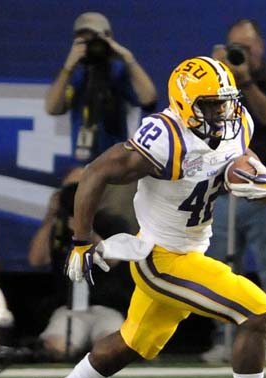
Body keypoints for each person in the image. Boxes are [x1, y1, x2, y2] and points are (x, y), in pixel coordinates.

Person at [32, 56, 266, 378]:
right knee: (256, 311)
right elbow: (95, 174)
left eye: (225, 102)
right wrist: (81, 239)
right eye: (211, 104)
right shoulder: (166, 137)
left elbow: (228, 169)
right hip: (160, 257)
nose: (223, 112)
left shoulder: (238, 123)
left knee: (132, 344)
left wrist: (264, 183)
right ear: (183, 104)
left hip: (189, 247)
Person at [201, 19, 266, 366]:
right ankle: (225, 336)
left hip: (264, 191)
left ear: (260, 47)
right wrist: (214, 73)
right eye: (233, 46)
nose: (239, 52)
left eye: (245, 46)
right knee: (218, 268)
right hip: (223, 190)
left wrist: (244, 79)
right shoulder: (220, 84)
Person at [45, 12, 158, 234]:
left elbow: (149, 99)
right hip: (83, 172)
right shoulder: (77, 74)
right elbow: (53, 107)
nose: (92, 45)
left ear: (109, 38)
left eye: (97, 38)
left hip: (118, 172)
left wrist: (127, 58)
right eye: (84, 39)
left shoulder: (119, 72)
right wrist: (68, 67)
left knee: (120, 237)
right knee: (77, 237)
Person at [28, 167, 132, 360]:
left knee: (111, 350)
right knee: (55, 349)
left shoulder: (113, 223)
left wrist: (85, 230)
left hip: (107, 307)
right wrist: (52, 215)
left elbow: (112, 259)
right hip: (69, 308)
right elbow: (36, 259)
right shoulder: (59, 226)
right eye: (71, 189)